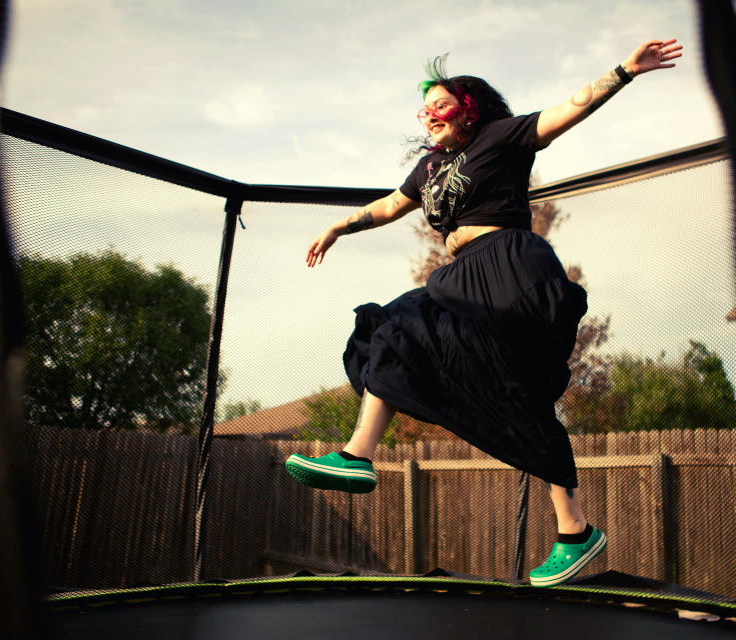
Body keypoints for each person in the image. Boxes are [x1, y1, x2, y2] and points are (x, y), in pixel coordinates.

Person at [286, 39, 682, 587]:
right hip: (460, 275)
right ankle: (359, 456)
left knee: (516, 384)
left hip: (512, 267)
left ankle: (574, 531)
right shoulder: (427, 168)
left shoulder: (501, 137)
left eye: (440, 107)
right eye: (423, 111)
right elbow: (387, 207)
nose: (430, 118)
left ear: (469, 108)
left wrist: (624, 72)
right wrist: (337, 227)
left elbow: (568, 110)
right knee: (395, 330)